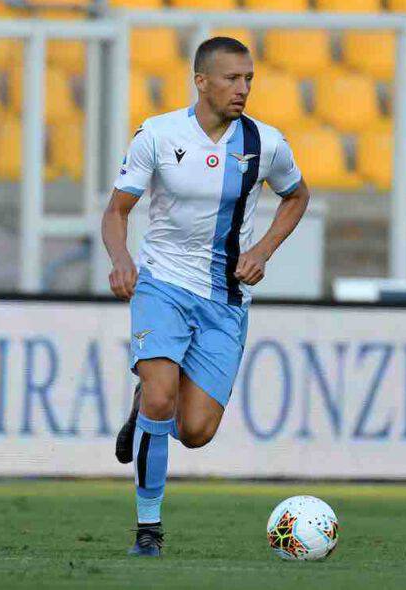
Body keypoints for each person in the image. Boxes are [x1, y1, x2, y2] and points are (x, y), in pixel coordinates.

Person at [101, 36, 310, 556]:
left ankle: (145, 411)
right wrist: (122, 261)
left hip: (226, 299)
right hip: (163, 285)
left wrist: (263, 249)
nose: (243, 89)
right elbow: (116, 211)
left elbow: (297, 195)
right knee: (160, 396)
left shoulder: (266, 144)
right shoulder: (158, 134)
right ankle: (148, 530)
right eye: (232, 79)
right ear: (201, 81)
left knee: (195, 431)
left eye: (249, 80)